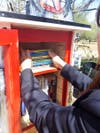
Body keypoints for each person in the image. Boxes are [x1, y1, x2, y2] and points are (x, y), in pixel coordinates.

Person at [20, 6, 100, 133]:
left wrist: (26, 71)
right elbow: (93, 89)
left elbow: (44, 116)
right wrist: (64, 66)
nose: (97, 36)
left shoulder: (91, 121)